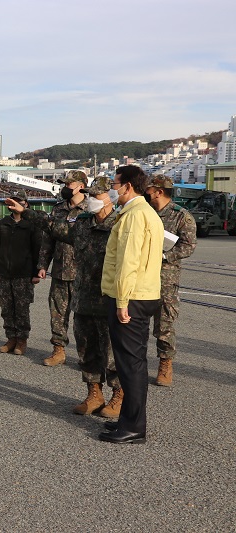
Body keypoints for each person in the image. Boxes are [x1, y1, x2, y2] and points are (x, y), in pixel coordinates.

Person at [9, 177, 122, 417]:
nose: (91, 200)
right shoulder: (82, 225)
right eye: (89, 195)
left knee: (112, 350)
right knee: (87, 348)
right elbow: (52, 225)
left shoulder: (121, 224)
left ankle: (119, 396)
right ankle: (94, 393)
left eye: (97, 196)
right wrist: (25, 212)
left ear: (110, 198)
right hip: (84, 297)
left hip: (109, 297)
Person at [98, 165, 163, 444]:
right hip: (142, 294)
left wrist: (121, 302)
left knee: (131, 364)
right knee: (130, 362)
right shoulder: (144, 212)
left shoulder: (135, 215)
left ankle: (135, 426)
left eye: (116, 184)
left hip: (131, 298)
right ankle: (128, 420)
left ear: (128, 186)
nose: (114, 189)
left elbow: (128, 261)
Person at [144, 174, 197, 386]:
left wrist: (165, 255)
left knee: (164, 322)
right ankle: (133, 363)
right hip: (142, 273)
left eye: (149, 189)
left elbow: (189, 245)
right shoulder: (144, 213)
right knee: (135, 320)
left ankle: (165, 363)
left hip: (165, 277)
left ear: (158, 191)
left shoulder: (181, 216)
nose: (146, 192)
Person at [37, 170, 88, 367]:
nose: (65, 188)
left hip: (82, 273)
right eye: (64, 184)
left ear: (81, 186)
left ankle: (85, 355)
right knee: (57, 313)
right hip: (59, 270)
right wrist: (42, 265)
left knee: (83, 317)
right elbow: (47, 240)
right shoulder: (58, 210)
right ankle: (58, 350)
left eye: (69, 185)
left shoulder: (90, 210)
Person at [0, 189, 42, 355]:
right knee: (6, 308)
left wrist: (36, 272)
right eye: (11, 201)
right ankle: (10, 338)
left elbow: (38, 249)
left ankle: (21, 340)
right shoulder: (3, 223)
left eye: (18, 201)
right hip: (5, 273)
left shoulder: (32, 225)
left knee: (21, 309)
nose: (14, 204)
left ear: (25, 204)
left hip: (24, 273)